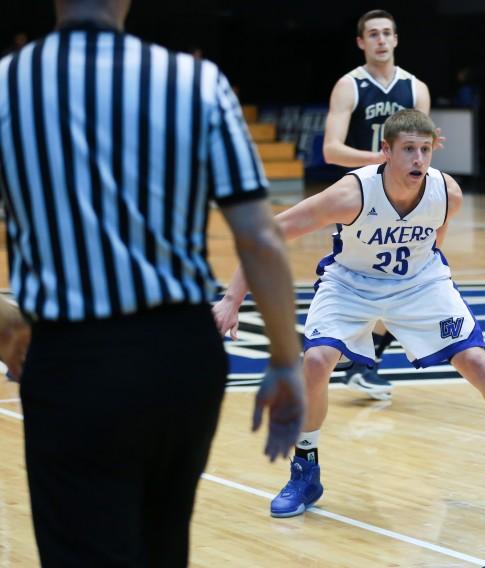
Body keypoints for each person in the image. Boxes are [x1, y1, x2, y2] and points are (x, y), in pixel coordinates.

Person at [0, 0, 304, 565]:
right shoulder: (196, 80)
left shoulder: (7, 81)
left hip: (73, 360)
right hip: (180, 360)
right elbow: (261, 239)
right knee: (164, 547)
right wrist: (286, 361)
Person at [213, 109, 485, 519]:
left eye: (425, 149)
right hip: (350, 283)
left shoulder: (446, 192)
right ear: (385, 151)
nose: (418, 159)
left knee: (476, 361)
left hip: (418, 281)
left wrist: (421, 281)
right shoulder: (352, 194)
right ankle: (305, 469)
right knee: (316, 361)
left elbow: (435, 239)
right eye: (408, 150)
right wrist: (232, 299)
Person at [320, 9, 435, 401]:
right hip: (363, 198)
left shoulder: (416, 88)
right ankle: (340, 352)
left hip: (405, 195)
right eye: (373, 34)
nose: (381, 40)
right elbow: (331, 150)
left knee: (407, 277)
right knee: (364, 281)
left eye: (387, 33)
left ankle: (363, 365)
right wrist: (379, 160)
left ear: (397, 39)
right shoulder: (349, 86)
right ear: (361, 42)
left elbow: (424, 143)